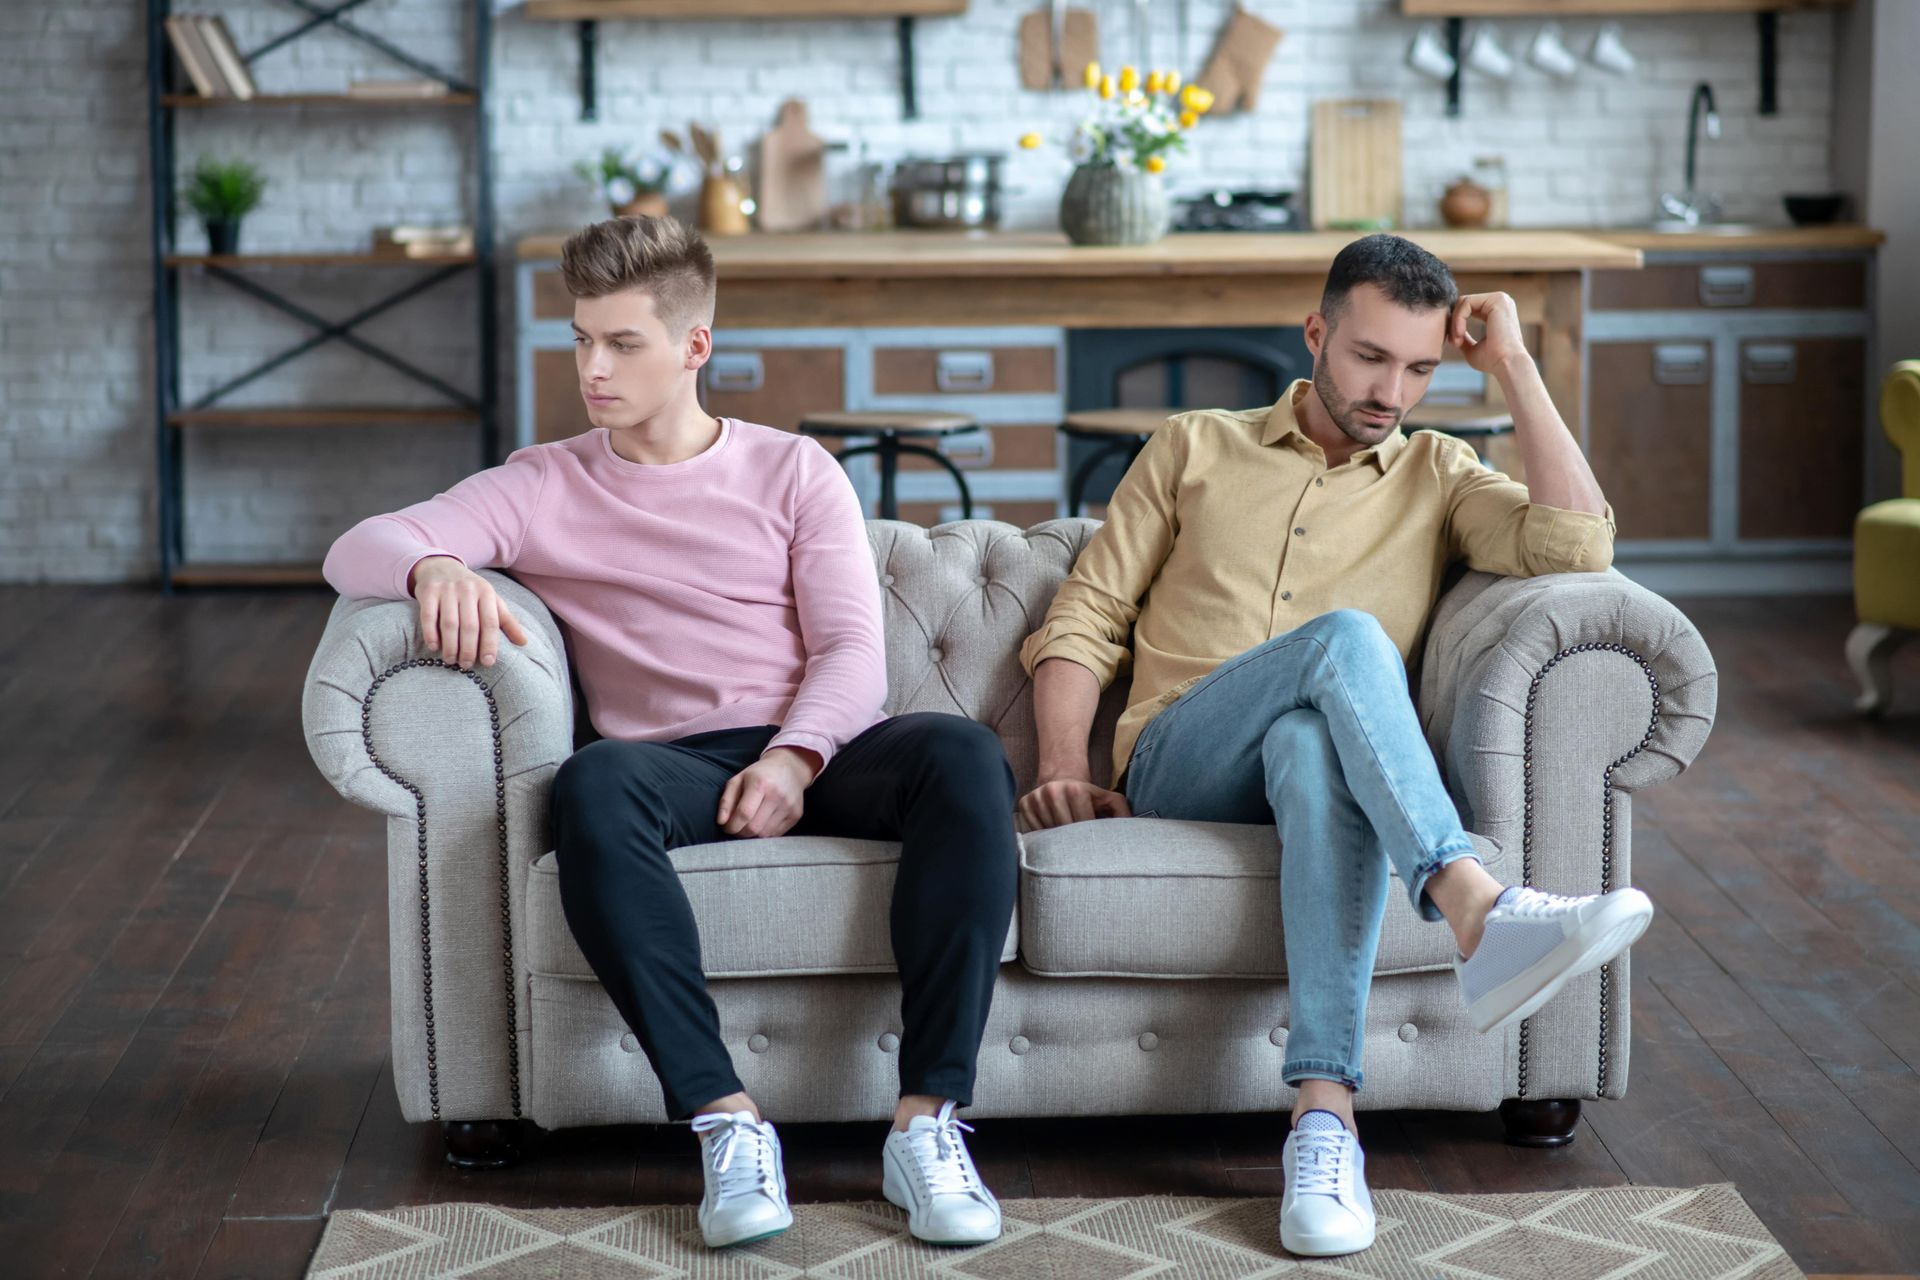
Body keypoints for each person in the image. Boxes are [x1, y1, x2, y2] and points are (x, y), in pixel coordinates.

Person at [322, 214, 1014, 1251]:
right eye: (580, 340)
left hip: (820, 745)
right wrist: (433, 566)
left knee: (964, 753)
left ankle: (927, 1125)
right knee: (591, 785)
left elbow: (850, 652)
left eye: (622, 342)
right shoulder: (543, 481)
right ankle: (728, 1122)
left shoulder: (795, 470)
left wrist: (795, 754)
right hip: (673, 766)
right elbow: (356, 545)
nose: (592, 368)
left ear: (695, 346)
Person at [1014, 233, 1654, 1259]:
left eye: (1417, 368)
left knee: (1315, 745)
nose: (1389, 389)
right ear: (1316, 334)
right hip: (1183, 760)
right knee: (1350, 638)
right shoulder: (1192, 445)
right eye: (1367, 357)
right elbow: (1085, 614)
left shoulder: (1443, 473)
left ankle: (1323, 1121)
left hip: (1315, 774)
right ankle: (1477, 907)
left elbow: (1580, 548)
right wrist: (1059, 764)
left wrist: (1518, 366)